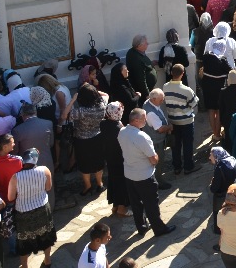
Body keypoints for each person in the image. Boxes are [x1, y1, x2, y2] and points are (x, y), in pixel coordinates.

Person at [118, 108, 176, 237]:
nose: (146, 121)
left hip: (129, 174)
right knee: (151, 204)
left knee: (136, 204)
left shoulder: (122, 132)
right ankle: (159, 229)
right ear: (137, 120)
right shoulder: (141, 136)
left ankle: (142, 227)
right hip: (144, 176)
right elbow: (154, 159)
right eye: (144, 118)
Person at [7, 148, 54, 268]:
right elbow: (48, 188)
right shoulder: (44, 170)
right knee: (46, 234)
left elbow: (10, 197)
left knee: (24, 240)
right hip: (42, 207)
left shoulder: (15, 177)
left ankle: (25, 266)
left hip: (23, 212)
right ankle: (47, 261)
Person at [61, 82, 106, 195]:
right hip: (97, 137)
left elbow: (64, 115)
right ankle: (100, 184)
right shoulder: (102, 106)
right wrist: (95, 91)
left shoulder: (80, 112)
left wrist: (73, 99)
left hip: (82, 140)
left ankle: (87, 186)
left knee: (84, 164)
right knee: (98, 161)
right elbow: (106, 95)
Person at [100, 102, 130, 217]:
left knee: (113, 181)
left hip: (110, 158)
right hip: (120, 159)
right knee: (121, 183)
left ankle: (115, 206)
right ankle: (122, 208)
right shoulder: (119, 128)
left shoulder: (103, 124)